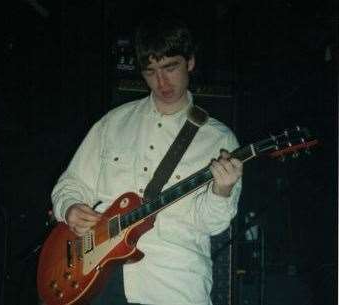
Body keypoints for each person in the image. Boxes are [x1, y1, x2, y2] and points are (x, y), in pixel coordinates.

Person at [51, 14, 243, 305]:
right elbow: (72, 183)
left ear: (190, 62)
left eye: (170, 67)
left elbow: (211, 224)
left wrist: (222, 190)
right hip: (95, 276)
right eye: (151, 71)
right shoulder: (113, 123)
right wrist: (70, 208)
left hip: (173, 282)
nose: (161, 82)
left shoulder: (219, 140)